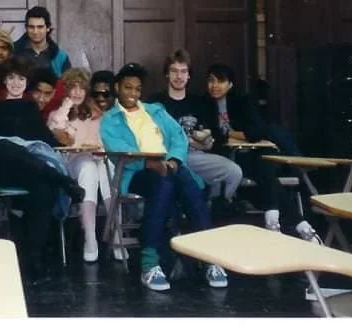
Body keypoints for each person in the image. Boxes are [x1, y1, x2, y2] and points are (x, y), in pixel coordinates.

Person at [0, 55, 84, 283]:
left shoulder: (30, 108)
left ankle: (34, 260)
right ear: (4, 81)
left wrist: (66, 136)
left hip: (31, 171)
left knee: (43, 188)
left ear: (27, 82)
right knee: (4, 145)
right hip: (2, 168)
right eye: (12, 78)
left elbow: (46, 141)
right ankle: (62, 179)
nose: (16, 83)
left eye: (21, 78)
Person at [100, 62, 228, 291]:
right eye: (128, 88)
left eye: (137, 89)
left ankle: (200, 259)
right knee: (168, 182)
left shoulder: (155, 110)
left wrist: (173, 161)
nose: (133, 93)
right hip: (136, 173)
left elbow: (178, 137)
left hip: (169, 166)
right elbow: (116, 149)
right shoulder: (110, 119)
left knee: (178, 180)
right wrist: (149, 163)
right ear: (118, 88)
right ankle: (157, 264)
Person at [198, 63, 322, 243]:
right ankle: (299, 225)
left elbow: (256, 132)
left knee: (264, 167)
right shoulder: (204, 103)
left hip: (251, 153)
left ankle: (275, 221)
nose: (214, 86)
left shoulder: (242, 101)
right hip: (227, 157)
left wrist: (227, 133)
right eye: (211, 81)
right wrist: (234, 135)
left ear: (230, 84)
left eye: (221, 81)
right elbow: (211, 135)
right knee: (268, 176)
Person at [147, 49, 243, 203]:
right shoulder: (155, 102)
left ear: (189, 75)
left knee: (233, 172)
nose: (179, 76)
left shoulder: (200, 102)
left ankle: (213, 210)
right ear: (167, 74)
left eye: (183, 71)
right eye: (174, 71)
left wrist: (203, 142)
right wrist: (190, 141)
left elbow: (210, 140)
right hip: (167, 156)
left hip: (195, 157)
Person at [46, 68, 116, 263]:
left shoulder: (95, 114)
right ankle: (90, 238)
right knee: (87, 165)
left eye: (81, 88)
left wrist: (98, 150)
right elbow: (58, 134)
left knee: (104, 167)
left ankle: (114, 233)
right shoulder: (57, 114)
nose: (77, 92)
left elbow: (103, 141)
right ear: (66, 90)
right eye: (72, 88)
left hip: (95, 162)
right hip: (69, 165)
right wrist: (66, 106)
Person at [14, 6, 70, 119]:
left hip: (51, 116)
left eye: (40, 27)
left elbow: (67, 88)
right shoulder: (14, 52)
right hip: (18, 112)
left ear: (48, 28)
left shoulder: (60, 56)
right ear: (26, 28)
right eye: (31, 27)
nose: (35, 32)